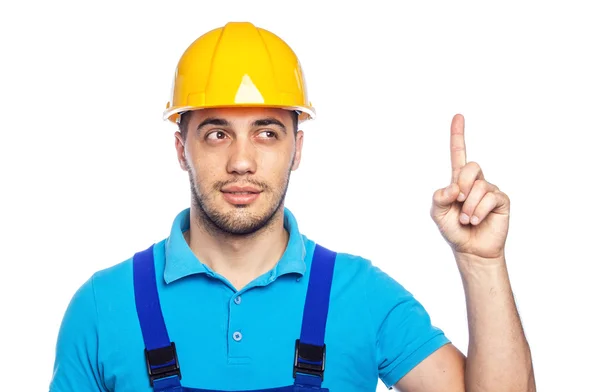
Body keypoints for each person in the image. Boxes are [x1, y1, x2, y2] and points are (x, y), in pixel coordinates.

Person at [49, 22, 535, 392]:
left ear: (297, 149)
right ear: (181, 149)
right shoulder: (102, 306)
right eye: (217, 134)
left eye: (267, 132)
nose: (241, 161)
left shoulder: (361, 295)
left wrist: (482, 263)